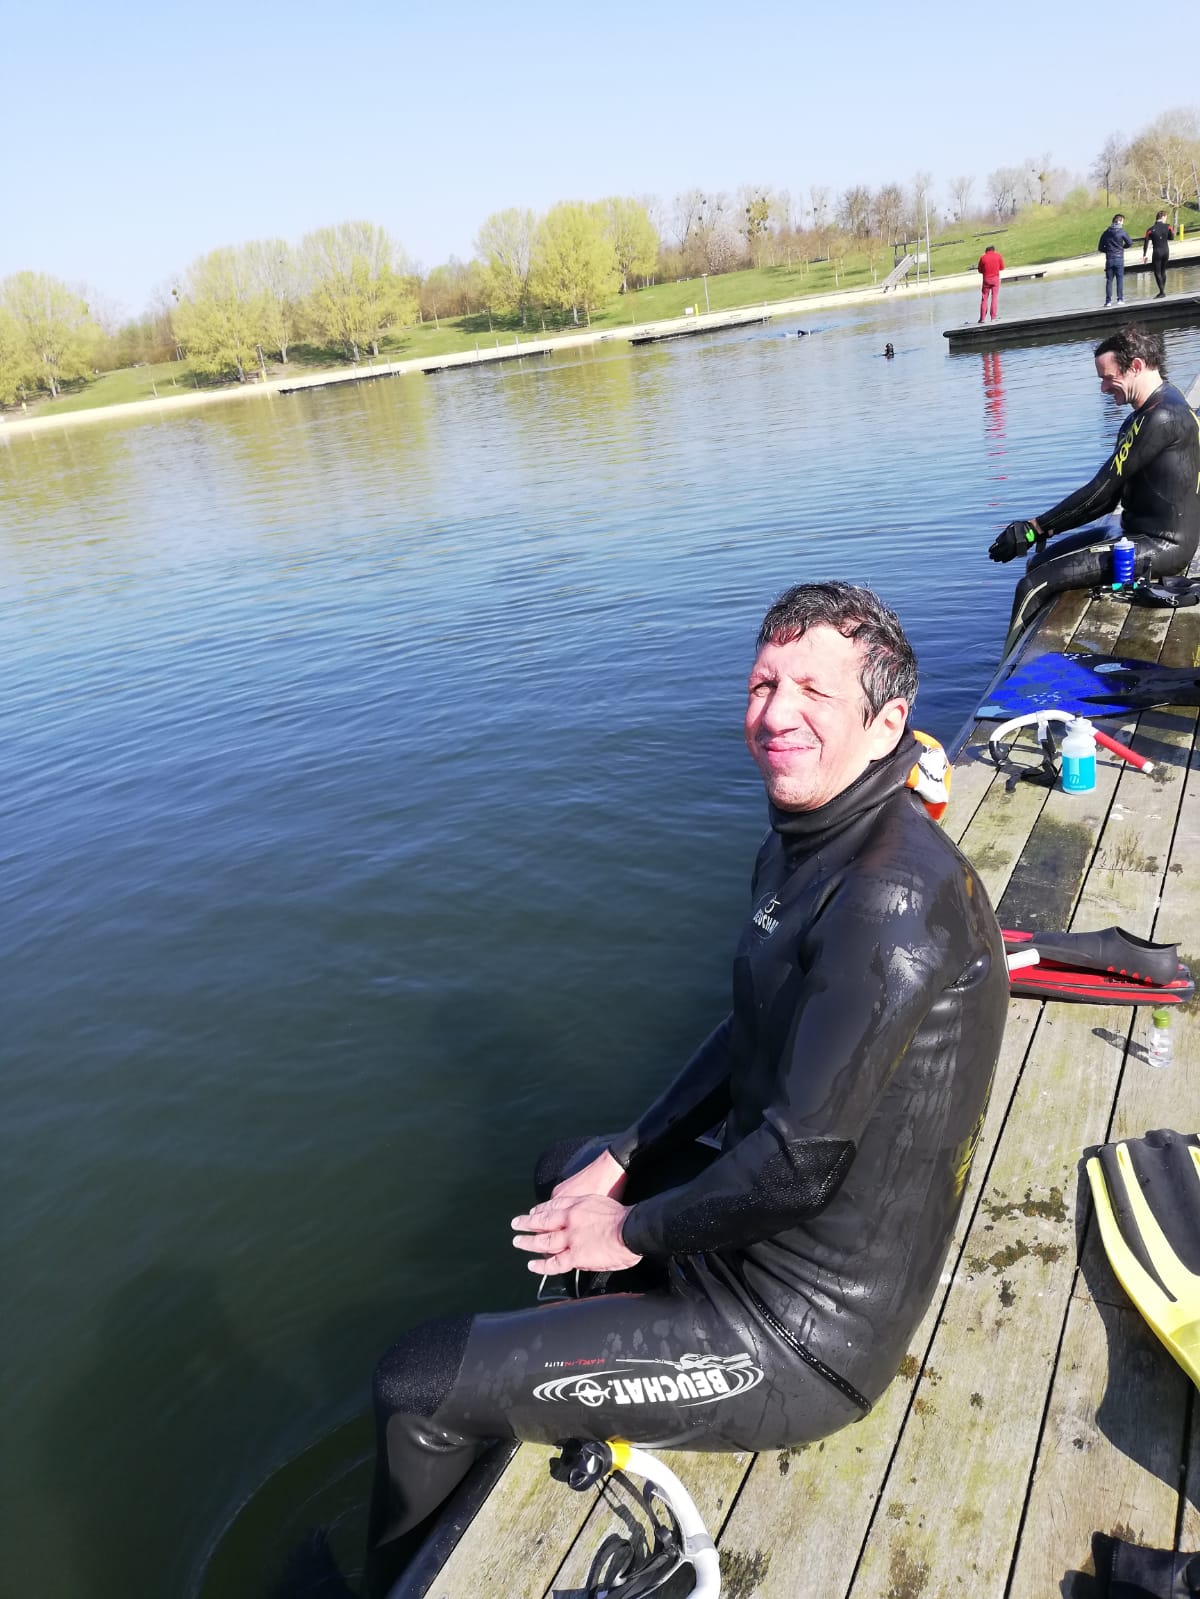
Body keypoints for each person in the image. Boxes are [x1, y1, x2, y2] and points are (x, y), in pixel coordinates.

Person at [363, 582, 1008, 1598]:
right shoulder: (808, 843)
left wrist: (629, 1233)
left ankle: (400, 1575)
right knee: (568, 1170)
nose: (775, 713)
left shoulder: (884, 898)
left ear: (888, 725)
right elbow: (747, 1027)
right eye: (762, 682)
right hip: (756, 1240)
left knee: (416, 1383)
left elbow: (794, 1169)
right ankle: (588, 1367)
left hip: (806, 1333)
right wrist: (625, 1157)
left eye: (812, 691)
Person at [989, 324, 1200, 651]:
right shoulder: (1143, 415)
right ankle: (1028, 652)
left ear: (1137, 367)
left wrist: (1034, 529)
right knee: (1036, 566)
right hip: (1135, 535)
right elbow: (1106, 500)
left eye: (1107, 377)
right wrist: (1041, 533)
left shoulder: (1163, 417)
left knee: (1031, 585)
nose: (1103, 388)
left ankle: (1013, 671)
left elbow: (1100, 490)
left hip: (1161, 547)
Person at [1098, 214, 1133, 306]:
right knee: (1119, 279)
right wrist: (1122, 247)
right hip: (1119, 258)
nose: (1123, 223)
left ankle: (1108, 301)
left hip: (1109, 259)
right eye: (1122, 221)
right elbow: (1129, 243)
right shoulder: (1121, 232)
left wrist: (1108, 251)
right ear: (1119, 221)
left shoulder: (1106, 233)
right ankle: (1120, 299)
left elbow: (1100, 247)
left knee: (1109, 280)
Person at [1142, 211, 1175, 298]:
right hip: (1166, 251)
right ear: (1163, 217)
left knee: (1157, 272)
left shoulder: (1150, 230)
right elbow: (1172, 238)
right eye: (1166, 217)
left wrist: (1144, 255)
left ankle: (1162, 292)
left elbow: (1146, 243)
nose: (1166, 219)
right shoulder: (1168, 226)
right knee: (1163, 271)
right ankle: (1162, 291)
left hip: (1157, 252)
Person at [977, 244, 1005, 322]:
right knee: (994, 298)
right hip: (995, 279)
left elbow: (979, 270)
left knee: (984, 299)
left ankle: (982, 318)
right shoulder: (998, 256)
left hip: (986, 280)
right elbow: (1002, 267)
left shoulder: (983, 257)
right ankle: (993, 317)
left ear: (986, 251)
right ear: (993, 250)